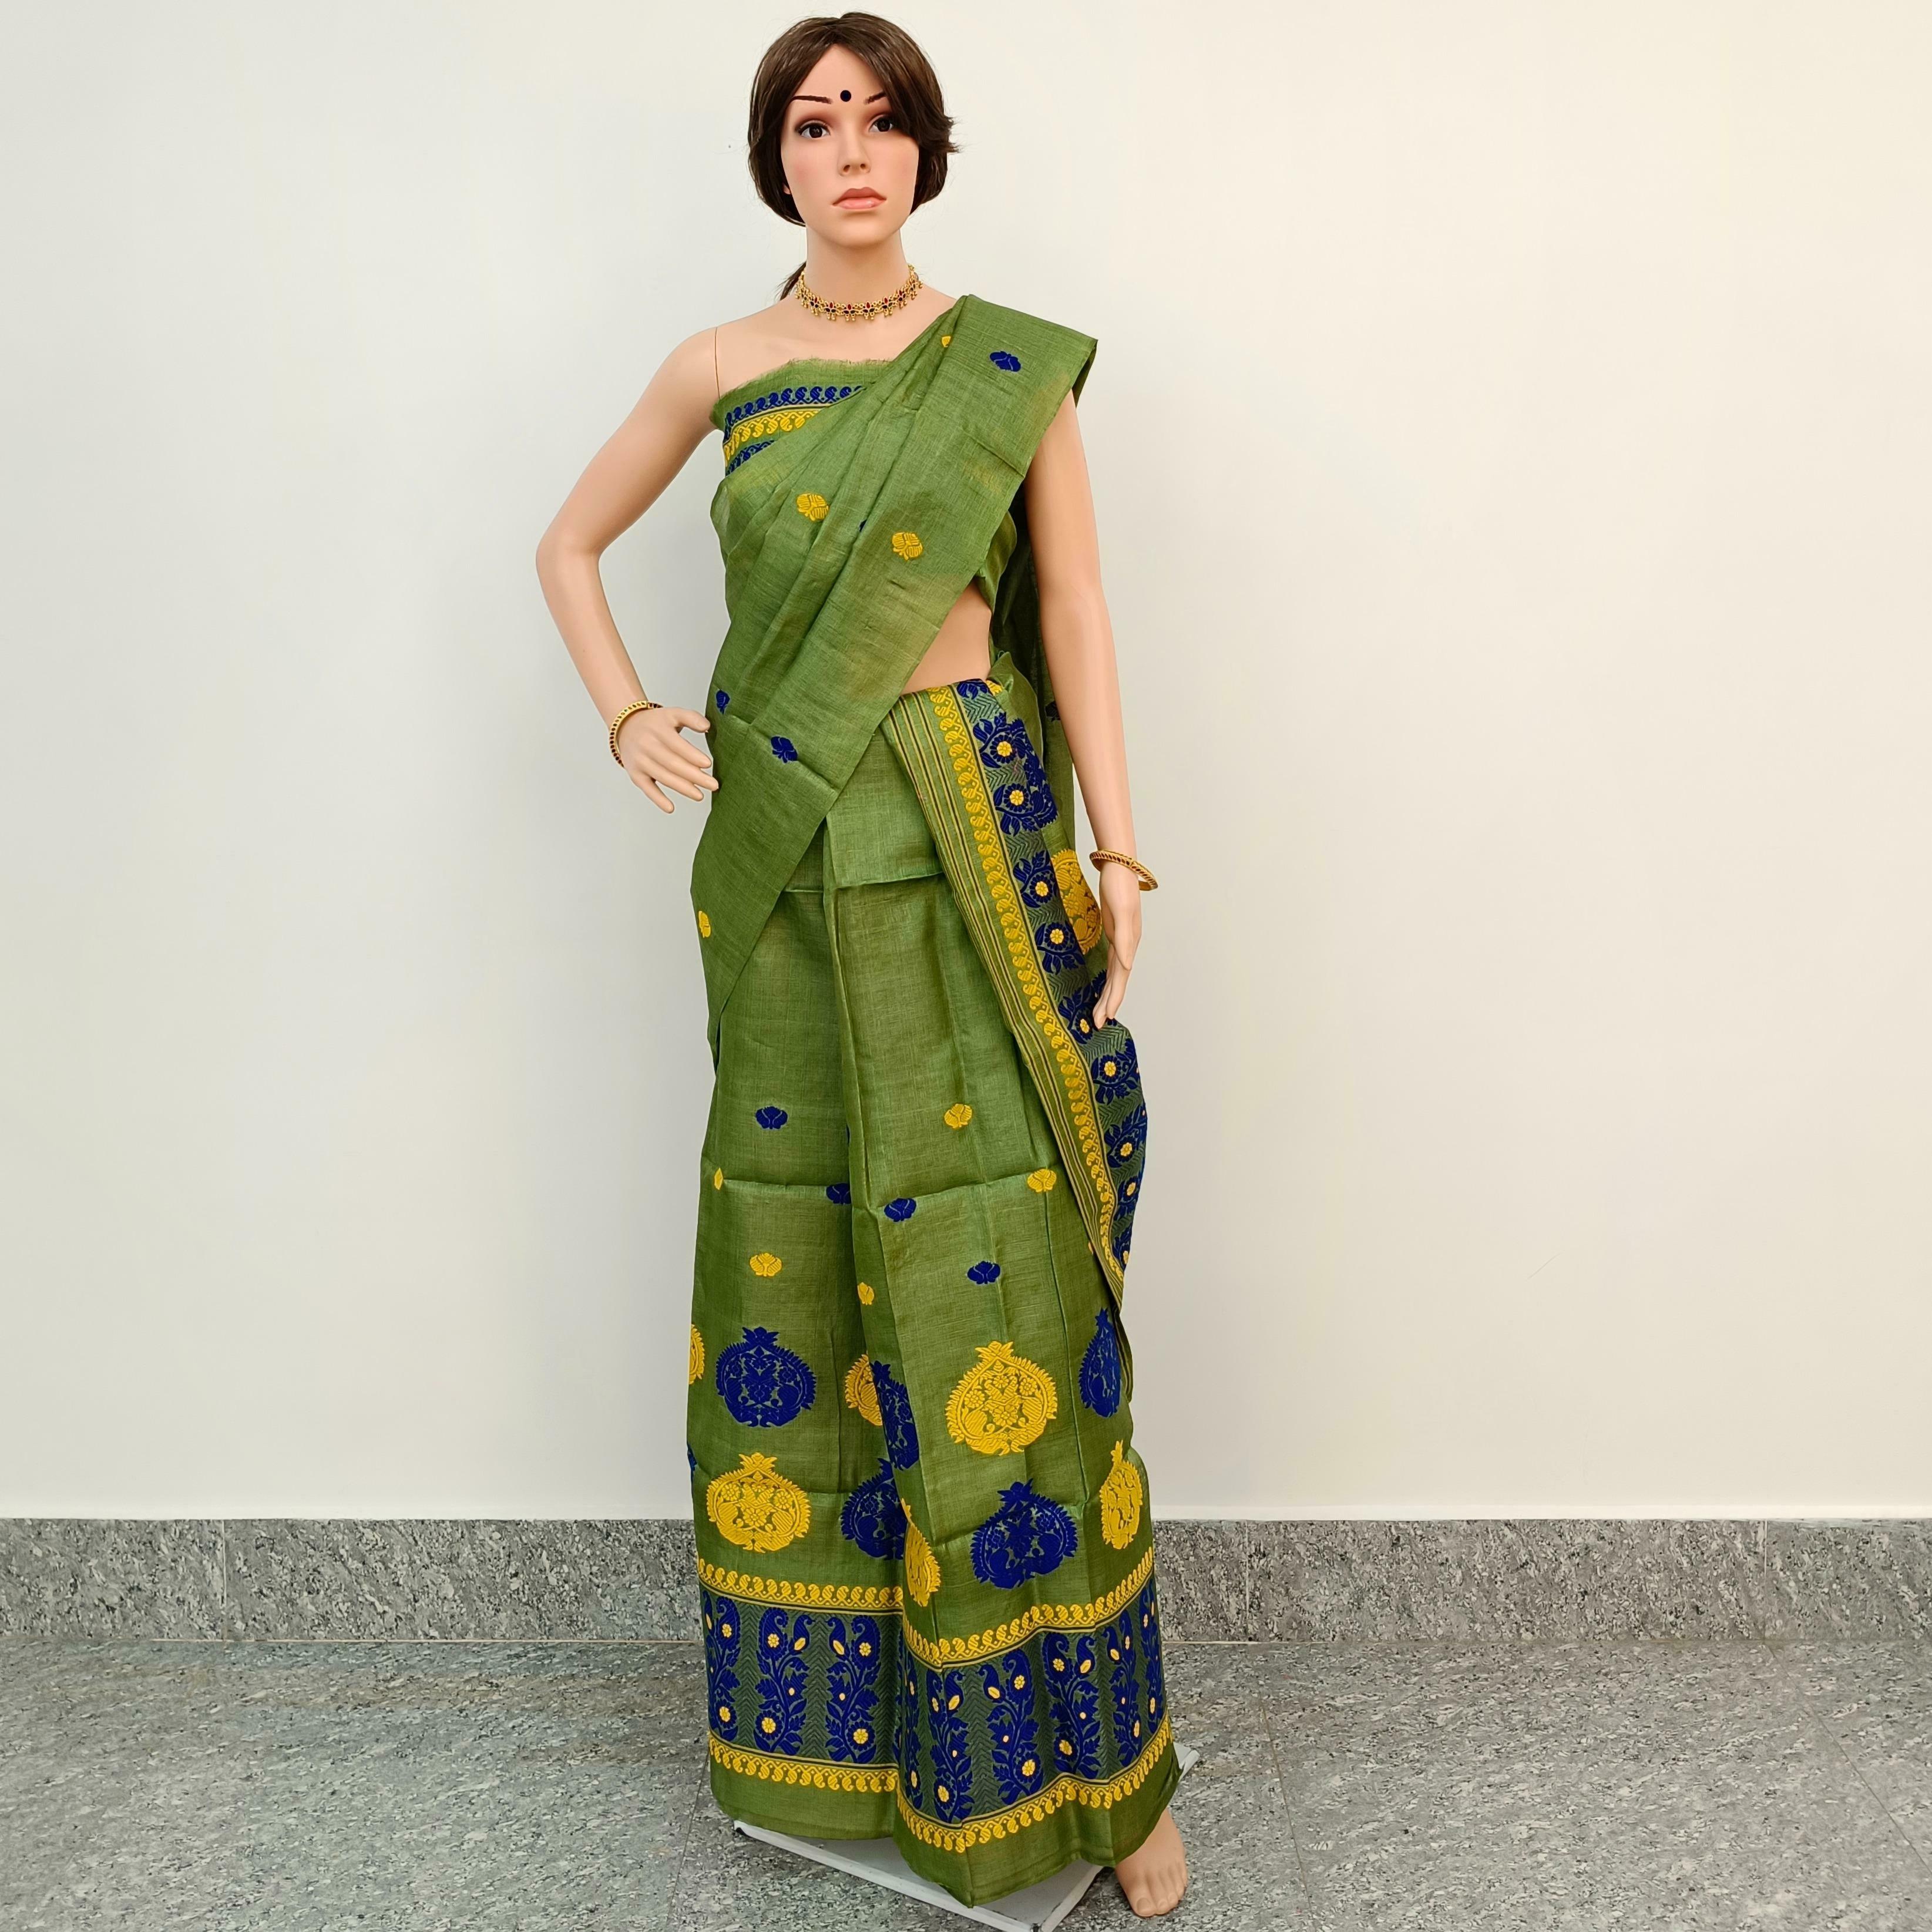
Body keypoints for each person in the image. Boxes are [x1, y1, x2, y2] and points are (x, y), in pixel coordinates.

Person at [535, 12, 1187, 1916]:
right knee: (801, 1256)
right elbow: (567, 547)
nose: (851, 152)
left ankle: (1098, 1772)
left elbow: (1075, 606)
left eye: (882, 121)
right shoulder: (718, 368)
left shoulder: (1006, 366)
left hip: (979, 841)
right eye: (816, 123)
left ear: (924, 152)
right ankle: (837, 1745)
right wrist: (627, 712)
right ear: (777, 159)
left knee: (1014, 1274)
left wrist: (1118, 844)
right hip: (793, 861)